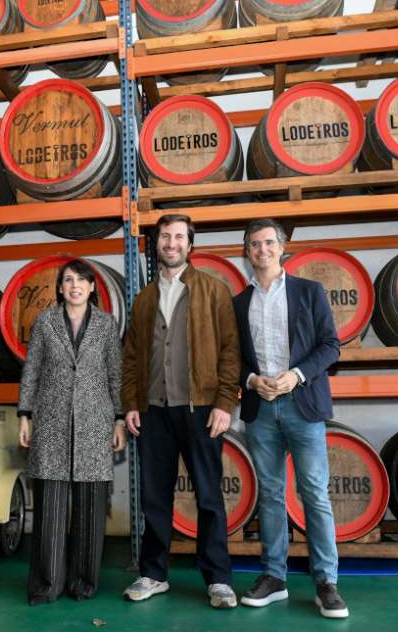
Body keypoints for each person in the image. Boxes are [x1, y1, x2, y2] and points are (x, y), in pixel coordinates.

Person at [120, 213, 241, 608]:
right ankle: (153, 574)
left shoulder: (213, 289)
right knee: (155, 497)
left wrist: (225, 403)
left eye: (178, 237)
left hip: (201, 409)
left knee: (208, 496)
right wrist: (131, 405)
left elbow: (230, 351)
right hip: (153, 411)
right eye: (164, 237)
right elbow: (133, 356)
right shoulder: (144, 298)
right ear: (155, 244)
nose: (170, 243)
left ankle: (218, 579)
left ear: (190, 244)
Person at [231, 219, 347, 619]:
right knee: (270, 493)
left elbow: (331, 345)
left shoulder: (309, 292)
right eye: (254, 244)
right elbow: (235, 360)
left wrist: (296, 375)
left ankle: (325, 583)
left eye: (268, 242)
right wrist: (251, 379)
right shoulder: (238, 303)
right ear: (246, 252)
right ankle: (274, 578)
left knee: (314, 493)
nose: (261, 249)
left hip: (303, 405)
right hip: (260, 409)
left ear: (282, 247)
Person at [17, 259, 127, 605]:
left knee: (91, 508)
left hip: (96, 422)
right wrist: (24, 414)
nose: (75, 285)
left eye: (81, 280)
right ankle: (46, 585)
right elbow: (31, 368)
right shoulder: (45, 321)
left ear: (93, 287)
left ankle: (82, 583)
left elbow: (115, 374)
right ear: (60, 288)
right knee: (49, 505)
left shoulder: (107, 325)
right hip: (50, 421)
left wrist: (119, 419)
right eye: (68, 280)